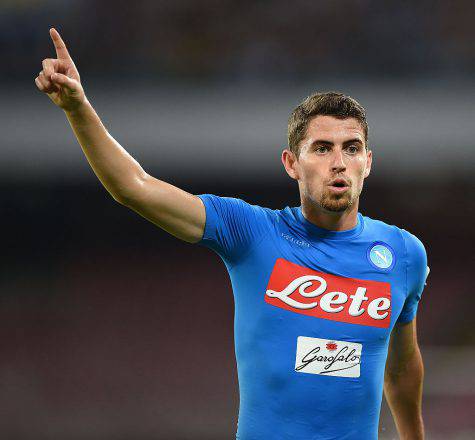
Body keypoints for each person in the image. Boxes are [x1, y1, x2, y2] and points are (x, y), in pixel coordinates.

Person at [35, 28, 429, 440]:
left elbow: (401, 371)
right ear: (291, 163)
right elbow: (133, 186)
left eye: (351, 148)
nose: (338, 162)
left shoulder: (403, 254)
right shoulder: (251, 231)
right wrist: (77, 108)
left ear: (367, 162)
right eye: (322, 148)